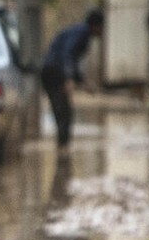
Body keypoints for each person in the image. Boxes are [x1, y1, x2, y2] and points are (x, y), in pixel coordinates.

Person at [40, 9, 105, 149]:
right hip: (53, 73)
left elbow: (72, 61)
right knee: (63, 111)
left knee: (64, 112)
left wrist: (83, 82)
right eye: (102, 27)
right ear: (96, 26)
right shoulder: (82, 33)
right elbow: (67, 55)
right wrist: (68, 79)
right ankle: (62, 149)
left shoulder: (82, 33)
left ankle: (63, 147)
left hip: (54, 72)